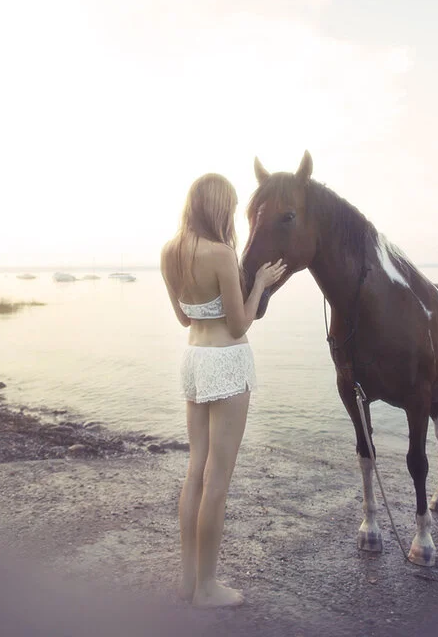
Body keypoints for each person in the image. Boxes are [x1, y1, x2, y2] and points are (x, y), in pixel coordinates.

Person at [160, 173, 285, 608]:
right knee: (218, 478)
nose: (231, 215)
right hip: (227, 362)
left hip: (194, 359)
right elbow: (238, 324)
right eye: (230, 207)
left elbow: (184, 318)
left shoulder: (170, 252)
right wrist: (261, 284)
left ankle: (188, 580)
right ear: (218, 208)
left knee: (196, 470)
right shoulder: (221, 254)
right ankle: (208, 587)